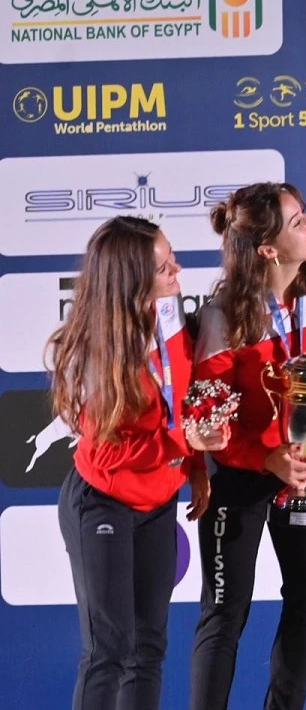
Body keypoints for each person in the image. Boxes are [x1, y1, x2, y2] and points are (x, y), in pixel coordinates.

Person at [189, 183, 306, 710]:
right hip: (242, 474)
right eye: (297, 221)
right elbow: (208, 410)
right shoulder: (225, 316)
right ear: (268, 250)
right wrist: (264, 457)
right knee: (225, 611)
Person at [51, 217, 221, 710]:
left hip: (158, 501)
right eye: (164, 266)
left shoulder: (170, 318)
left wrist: (193, 469)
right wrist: (179, 444)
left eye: (173, 258)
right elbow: (108, 452)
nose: (178, 271)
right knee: (109, 649)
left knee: (149, 648)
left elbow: (181, 402)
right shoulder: (97, 350)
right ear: (130, 279)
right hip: (103, 502)